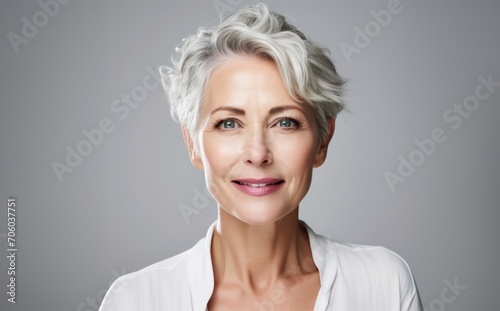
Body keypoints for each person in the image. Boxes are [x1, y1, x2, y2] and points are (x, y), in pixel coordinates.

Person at [99, 3, 423, 310]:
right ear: (192, 144)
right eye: (229, 123)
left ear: (323, 140)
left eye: (285, 122)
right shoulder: (135, 301)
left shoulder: (383, 285)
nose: (258, 153)